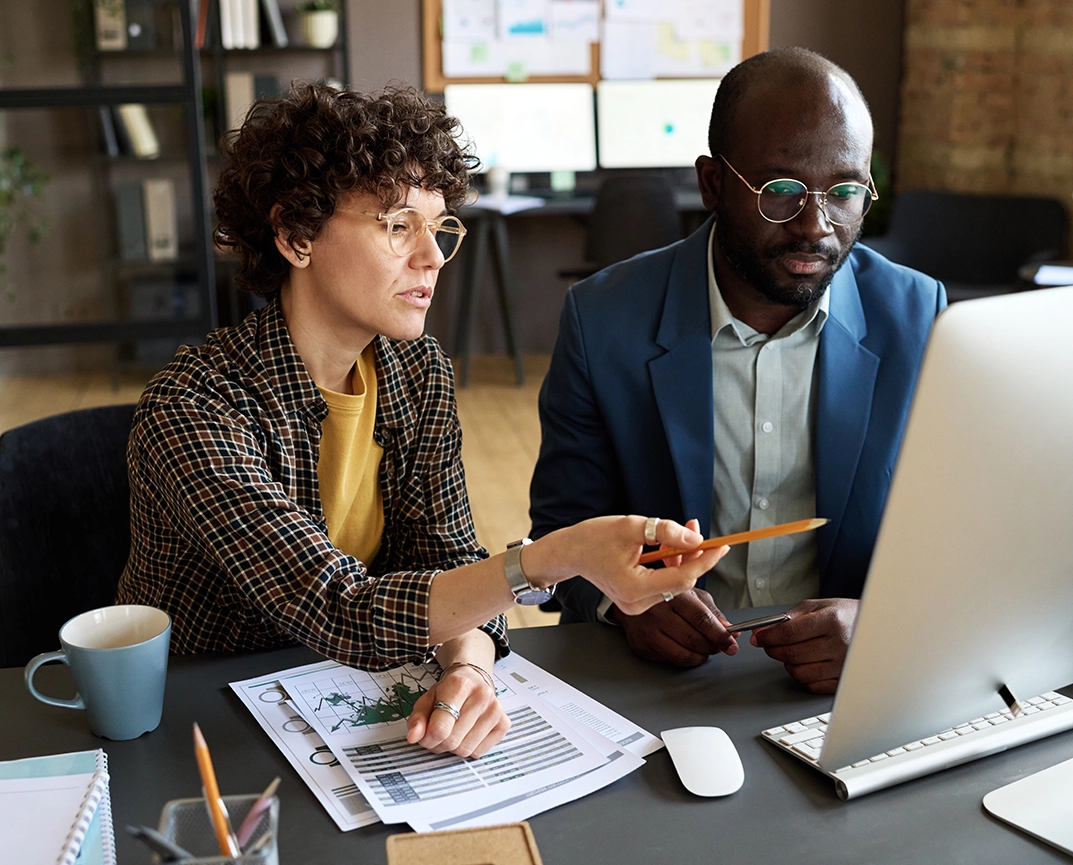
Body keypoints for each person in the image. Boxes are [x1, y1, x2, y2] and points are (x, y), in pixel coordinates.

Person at [115, 82, 725, 760]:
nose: (432, 257)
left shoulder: (415, 370)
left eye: (439, 228)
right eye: (398, 225)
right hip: (196, 726)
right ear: (295, 236)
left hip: (352, 706)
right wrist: (562, 555)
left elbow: (452, 558)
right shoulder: (195, 407)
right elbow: (337, 606)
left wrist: (468, 669)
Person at [530, 48, 947, 693]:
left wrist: (886, 624)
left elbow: (959, 535)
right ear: (712, 184)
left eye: (844, 192)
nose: (816, 226)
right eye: (781, 191)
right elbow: (562, 532)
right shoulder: (603, 319)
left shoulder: (919, 318)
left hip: (848, 683)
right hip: (665, 682)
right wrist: (623, 603)